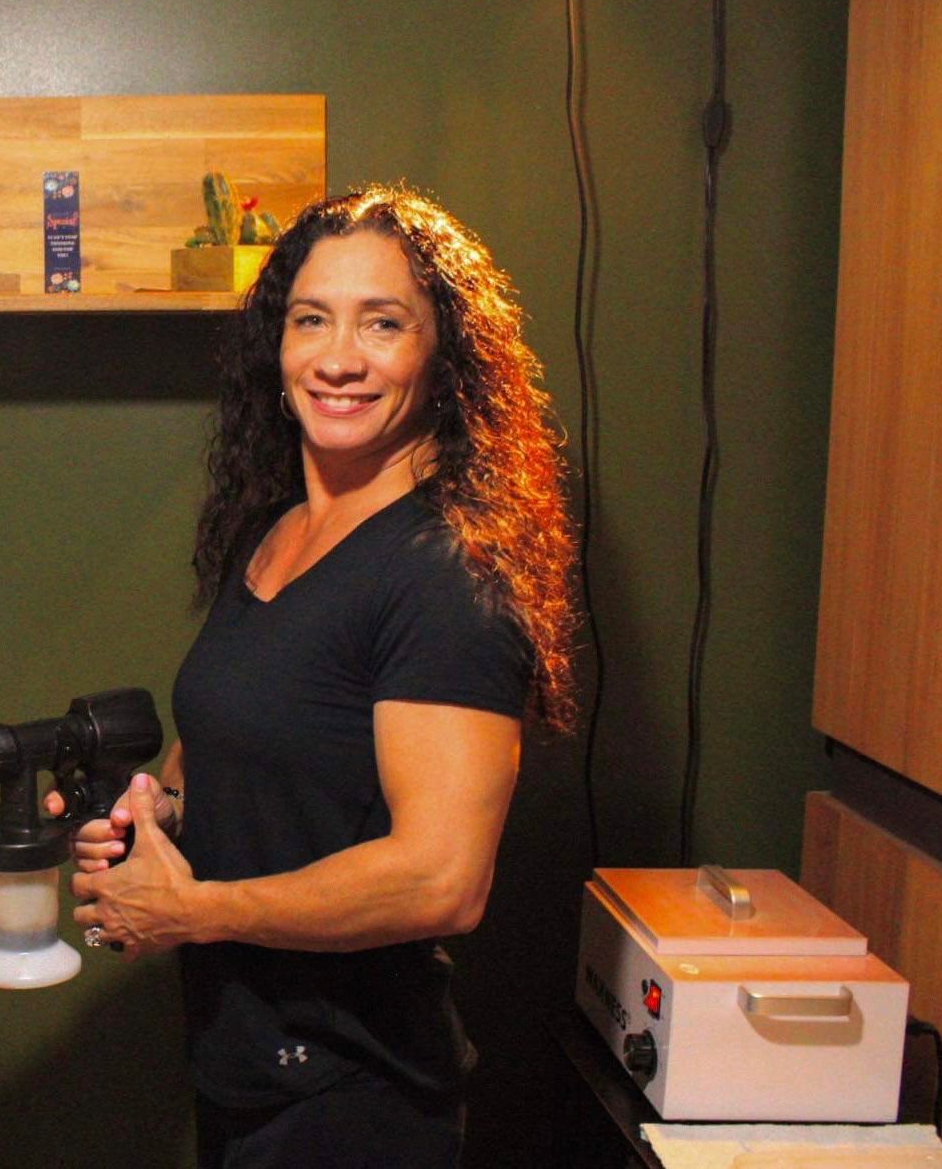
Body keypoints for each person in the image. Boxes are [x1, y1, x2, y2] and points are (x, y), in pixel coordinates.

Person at [48, 185, 576, 1167]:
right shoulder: (281, 530)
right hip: (250, 1075)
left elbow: (441, 879)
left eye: (383, 323)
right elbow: (226, 749)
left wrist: (196, 910)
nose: (339, 357)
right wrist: (151, 817)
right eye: (311, 320)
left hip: (353, 1104)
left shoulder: (442, 575)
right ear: (276, 346)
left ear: (443, 355)